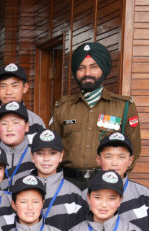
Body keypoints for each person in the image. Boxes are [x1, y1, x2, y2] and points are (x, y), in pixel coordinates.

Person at [51, 42, 141, 189]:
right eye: (81, 68)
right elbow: (52, 147)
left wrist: (117, 178)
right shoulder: (62, 106)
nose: (87, 73)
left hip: (107, 184)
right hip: (68, 183)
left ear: (103, 69)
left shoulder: (124, 106)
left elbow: (134, 149)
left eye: (93, 67)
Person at [0, 63, 45, 151]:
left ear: (25, 88)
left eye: (14, 86)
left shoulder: (36, 121)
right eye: (3, 86)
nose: (8, 92)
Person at [29, 129, 88, 231]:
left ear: (61, 156)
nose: (46, 159)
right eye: (40, 153)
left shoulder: (74, 194)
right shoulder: (22, 189)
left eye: (52, 153)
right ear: (32, 156)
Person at [0, 101, 34, 190]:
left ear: (26, 126)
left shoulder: (37, 154)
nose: (9, 128)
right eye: (4, 124)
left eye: (16, 123)